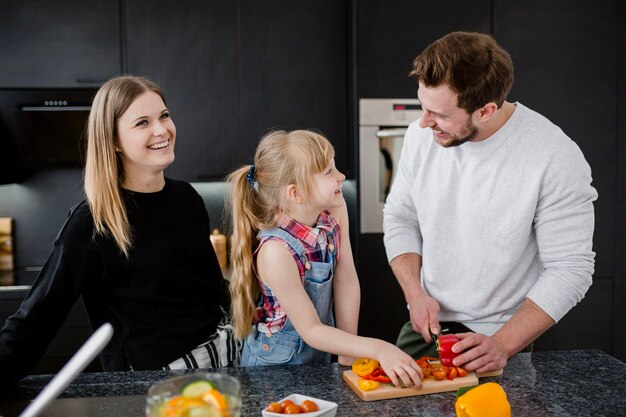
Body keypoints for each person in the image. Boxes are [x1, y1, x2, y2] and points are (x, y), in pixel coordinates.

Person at [0, 76, 237, 387]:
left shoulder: (187, 199)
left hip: (220, 364)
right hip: (149, 386)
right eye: (142, 123)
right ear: (112, 140)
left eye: (163, 116)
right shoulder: (92, 222)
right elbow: (36, 321)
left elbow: (210, 291)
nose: (161, 130)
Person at [384, 31, 597, 374]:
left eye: (438, 114)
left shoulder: (554, 155)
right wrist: (415, 293)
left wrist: (501, 344)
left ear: (486, 110)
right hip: (426, 325)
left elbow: (571, 268)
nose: (423, 122)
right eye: (422, 107)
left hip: (500, 337)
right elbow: (400, 218)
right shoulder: (420, 135)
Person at [228, 129, 422, 387]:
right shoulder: (275, 251)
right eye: (329, 172)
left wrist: (349, 350)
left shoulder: (334, 212)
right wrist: (378, 349)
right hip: (272, 371)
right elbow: (310, 330)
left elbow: (346, 278)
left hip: (319, 357)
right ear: (296, 193)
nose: (341, 176)